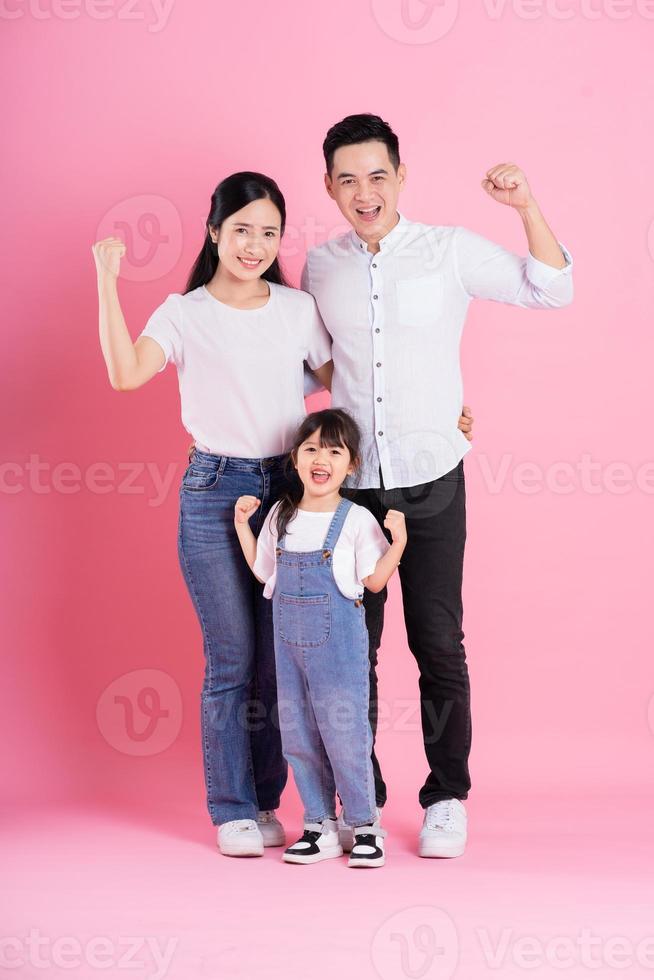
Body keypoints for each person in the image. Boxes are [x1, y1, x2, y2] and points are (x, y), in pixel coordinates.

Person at [301, 113, 574, 858]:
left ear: (401, 175)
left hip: (432, 483)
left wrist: (525, 206)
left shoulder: (447, 251)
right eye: (348, 179)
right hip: (354, 491)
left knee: (438, 642)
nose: (365, 192)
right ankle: (362, 797)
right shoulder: (320, 267)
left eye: (378, 175)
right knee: (351, 647)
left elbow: (551, 288)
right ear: (328, 185)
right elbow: (319, 366)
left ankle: (447, 795)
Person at [92, 171, 334, 857]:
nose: (254, 245)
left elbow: (341, 387)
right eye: (241, 230)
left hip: (289, 493)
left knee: (275, 664)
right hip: (213, 489)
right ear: (214, 233)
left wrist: (433, 415)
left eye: (268, 232)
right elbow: (125, 373)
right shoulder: (183, 312)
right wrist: (108, 282)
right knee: (231, 658)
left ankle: (264, 801)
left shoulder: (294, 310)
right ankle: (231, 808)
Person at [234, 408, 407, 868]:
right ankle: (318, 824)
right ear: (295, 459)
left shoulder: (354, 520)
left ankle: (365, 825)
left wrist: (399, 544)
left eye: (334, 450)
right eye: (311, 447)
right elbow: (263, 571)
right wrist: (241, 527)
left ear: (351, 465)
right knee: (297, 735)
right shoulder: (280, 515)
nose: (320, 458)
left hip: (340, 651)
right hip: (288, 648)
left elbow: (373, 582)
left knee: (346, 734)